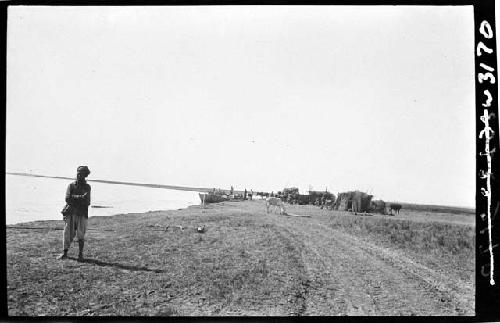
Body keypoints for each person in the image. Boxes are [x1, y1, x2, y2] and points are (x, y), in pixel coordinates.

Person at [58, 166, 91, 261]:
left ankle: (80, 255)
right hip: (71, 213)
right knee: (67, 233)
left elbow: (87, 202)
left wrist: (75, 198)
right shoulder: (71, 185)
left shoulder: (87, 187)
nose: (79, 175)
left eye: (81, 173)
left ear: (85, 175)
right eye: (78, 173)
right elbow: (67, 199)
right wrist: (80, 197)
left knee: (81, 234)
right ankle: (64, 253)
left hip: (82, 213)